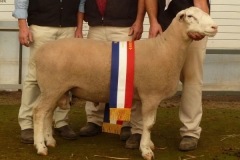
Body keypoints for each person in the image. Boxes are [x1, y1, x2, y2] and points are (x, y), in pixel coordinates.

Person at [75, 0, 145, 149]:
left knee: (125, 75)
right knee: (94, 74)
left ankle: (125, 122)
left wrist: (139, 21)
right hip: (96, 27)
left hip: (123, 27)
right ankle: (95, 119)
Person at [12, 0, 84, 144]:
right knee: (34, 77)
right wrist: (22, 26)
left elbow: (81, 2)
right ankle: (27, 124)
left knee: (66, 78)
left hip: (68, 29)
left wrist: (79, 28)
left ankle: (61, 121)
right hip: (41, 28)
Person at [145, 0, 210, 151]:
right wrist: (153, 22)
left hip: (192, 31)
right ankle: (144, 131)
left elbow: (201, 4)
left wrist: (200, 28)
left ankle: (190, 132)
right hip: (163, 30)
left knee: (191, 78)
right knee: (151, 80)